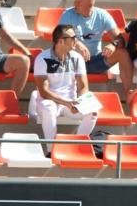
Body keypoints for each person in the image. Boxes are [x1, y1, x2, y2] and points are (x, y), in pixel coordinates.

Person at [32, 24, 97, 154]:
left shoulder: (77, 58)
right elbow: (44, 92)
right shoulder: (42, 58)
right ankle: (51, 151)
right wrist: (66, 102)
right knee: (48, 106)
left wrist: (80, 101)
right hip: (51, 101)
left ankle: (77, 147)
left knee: (93, 111)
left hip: (70, 102)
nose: (76, 41)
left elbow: (83, 86)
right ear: (60, 41)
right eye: (73, 37)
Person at [59, 0, 133, 95]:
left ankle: (129, 93)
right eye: (75, 0)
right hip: (72, 62)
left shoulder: (102, 15)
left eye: (79, 2)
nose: (75, 4)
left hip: (95, 60)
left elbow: (119, 39)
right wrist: (77, 43)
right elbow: (59, 36)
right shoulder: (68, 14)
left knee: (123, 53)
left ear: (89, 4)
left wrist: (113, 44)